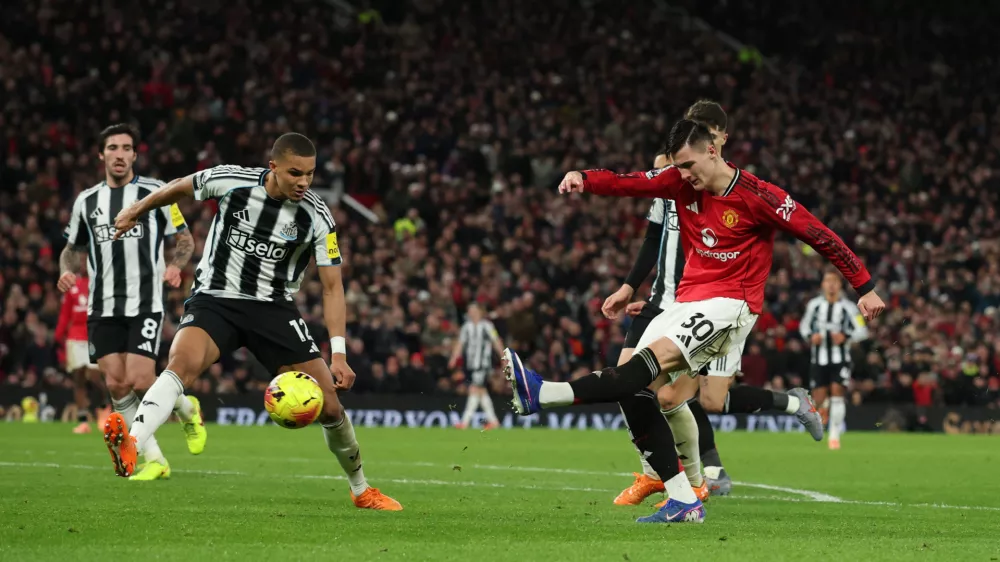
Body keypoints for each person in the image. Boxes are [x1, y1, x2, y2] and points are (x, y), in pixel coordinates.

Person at [504, 119, 885, 524]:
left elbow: (818, 234)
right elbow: (629, 182)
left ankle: (544, 395)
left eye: (687, 164)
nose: (682, 175)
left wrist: (864, 285)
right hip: (684, 302)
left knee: (665, 379)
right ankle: (684, 499)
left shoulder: (760, 196)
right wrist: (585, 178)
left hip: (731, 304)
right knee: (636, 390)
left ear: (712, 150)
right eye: (678, 168)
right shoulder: (679, 182)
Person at [105, 132, 401, 510]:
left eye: (310, 174)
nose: (304, 182)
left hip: (273, 308)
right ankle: (132, 443)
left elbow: (332, 287)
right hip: (216, 299)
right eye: (295, 173)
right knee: (181, 364)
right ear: (273, 166)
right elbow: (179, 187)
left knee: (329, 406)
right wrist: (137, 210)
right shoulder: (232, 181)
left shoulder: (317, 215)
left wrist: (338, 354)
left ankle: (361, 490)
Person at [603, 101, 733, 508]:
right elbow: (652, 239)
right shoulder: (668, 182)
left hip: (697, 306)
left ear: (719, 140)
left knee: (677, 398)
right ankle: (656, 474)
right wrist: (628, 286)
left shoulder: (721, 187)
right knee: (629, 385)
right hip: (659, 300)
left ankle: (691, 480)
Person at [59, 123, 207, 480]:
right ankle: (155, 460)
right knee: (115, 384)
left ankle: (188, 410)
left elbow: (184, 239)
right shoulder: (86, 201)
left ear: (135, 155)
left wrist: (175, 266)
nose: (120, 154)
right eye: (113, 148)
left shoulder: (155, 192)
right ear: (101, 155)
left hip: (144, 302)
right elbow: (71, 248)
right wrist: (66, 270)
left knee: (141, 380)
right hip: (102, 305)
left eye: (127, 148)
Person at [799, 268, 869, 450]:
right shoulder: (814, 305)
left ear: (839, 285)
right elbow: (803, 327)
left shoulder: (849, 308)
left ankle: (835, 435)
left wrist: (846, 336)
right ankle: (825, 408)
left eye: (834, 281)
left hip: (840, 358)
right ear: (822, 285)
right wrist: (810, 337)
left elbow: (862, 331)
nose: (831, 284)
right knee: (819, 400)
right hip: (818, 359)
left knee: (838, 392)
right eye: (827, 281)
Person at [54, 272, 109, 434]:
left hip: (94, 335)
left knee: (95, 376)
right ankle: (83, 421)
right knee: (78, 378)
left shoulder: (100, 285)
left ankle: (104, 408)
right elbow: (65, 313)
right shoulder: (72, 286)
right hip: (75, 337)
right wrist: (58, 336)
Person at [449, 303, 503, 429]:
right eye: (469, 311)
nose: (471, 313)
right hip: (471, 364)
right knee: (481, 392)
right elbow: (460, 344)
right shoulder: (466, 327)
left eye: (473, 310)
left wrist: (503, 357)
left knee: (474, 389)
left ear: (479, 312)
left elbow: (496, 341)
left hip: (483, 364)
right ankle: (494, 421)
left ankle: (465, 422)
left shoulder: (488, 326)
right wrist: (454, 358)